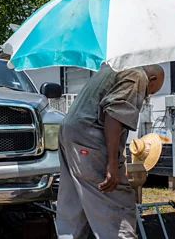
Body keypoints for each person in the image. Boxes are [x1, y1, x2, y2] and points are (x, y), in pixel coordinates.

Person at [56, 64, 165, 239]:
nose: (146, 97)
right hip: (90, 137)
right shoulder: (137, 76)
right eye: (150, 92)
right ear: (151, 79)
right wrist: (112, 164)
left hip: (69, 132)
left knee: (73, 201)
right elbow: (114, 117)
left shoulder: (113, 67)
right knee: (115, 199)